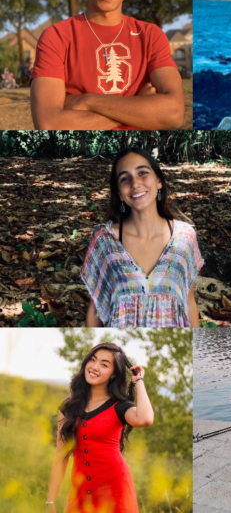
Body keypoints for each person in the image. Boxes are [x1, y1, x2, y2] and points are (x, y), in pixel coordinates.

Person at [30, 0, 184, 131]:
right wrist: (138, 105)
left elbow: (174, 114)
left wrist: (87, 101)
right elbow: (49, 124)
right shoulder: (56, 37)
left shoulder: (151, 36)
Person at [81, 148, 203, 327]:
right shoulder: (105, 240)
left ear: (159, 181)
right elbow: (96, 309)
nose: (135, 183)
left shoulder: (185, 238)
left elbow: (189, 303)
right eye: (125, 178)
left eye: (142, 173)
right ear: (119, 193)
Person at [46, 342, 153, 513]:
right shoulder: (69, 407)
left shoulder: (120, 406)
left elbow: (146, 419)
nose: (95, 367)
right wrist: (50, 502)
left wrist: (138, 380)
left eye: (104, 365)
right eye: (93, 360)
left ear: (113, 374)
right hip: (80, 493)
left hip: (116, 491)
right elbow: (61, 456)